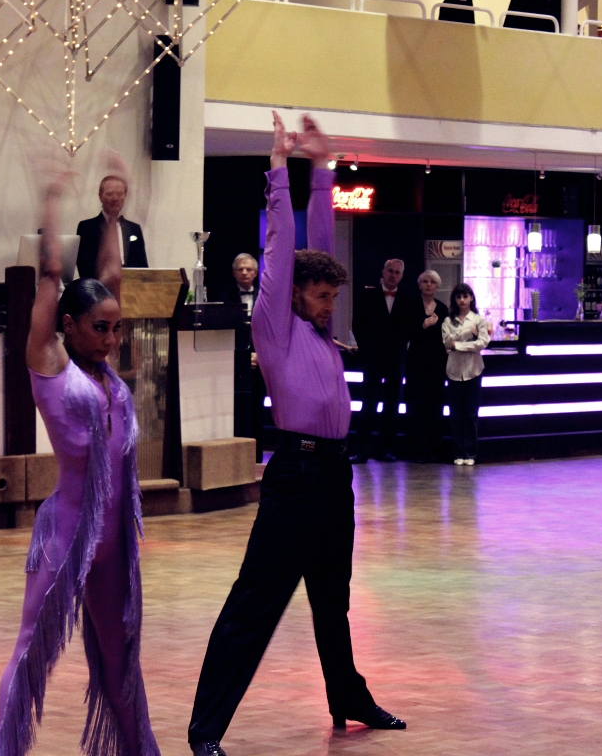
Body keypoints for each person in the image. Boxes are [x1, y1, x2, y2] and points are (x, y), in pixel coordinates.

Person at [188, 113, 405, 756]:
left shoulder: (316, 327)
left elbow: (319, 242)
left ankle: (348, 698)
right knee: (256, 603)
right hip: (297, 475)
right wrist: (279, 168)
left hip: (335, 473)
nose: (330, 305)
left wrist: (322, 168)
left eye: (333, 296)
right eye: (320, 296)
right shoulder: (274, 326)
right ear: (292, 295)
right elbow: (282, 251)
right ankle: (205, 730)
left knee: (332, 599)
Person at [0, 156, 159, 756]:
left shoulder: (106, 374)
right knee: (31, 652)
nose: (111, 340)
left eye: (116, 328)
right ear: (69, 325)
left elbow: (111, 273)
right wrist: (51, 198)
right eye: (99, 328)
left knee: (121, 658)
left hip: (115, 541)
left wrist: (112, 216)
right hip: (67, 534)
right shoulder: (50, 363)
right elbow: (50, 272)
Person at [350, 258, 406, 464]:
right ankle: (361, 450)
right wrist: (367, 351)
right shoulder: (367, 296)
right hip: (372, 359)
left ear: (401, 276)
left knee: (392, 405)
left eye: (397, 272)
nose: (393, 275)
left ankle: (386, 449)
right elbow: (357, 325)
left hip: (396, 360)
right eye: (390, 271)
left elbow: (409, 329)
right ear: (383, 272)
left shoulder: (407, 299)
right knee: (369, 404)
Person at [212, 253, 264, 460]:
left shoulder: (264, 298)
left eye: (248, 269)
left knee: (257, 411)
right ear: (234, 273)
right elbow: (221, 332)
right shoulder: (223, 297)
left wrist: (261, 355)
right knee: (235, 412)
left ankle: (257, 458)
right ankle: (235, 458)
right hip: (232, 365)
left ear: (256, 273)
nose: (244, 272)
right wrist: (242, 357)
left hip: (260, 365)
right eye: (240, 269)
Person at [402, 270, 448, 463]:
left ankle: (434, 448)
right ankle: (417, 449)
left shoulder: (443, 309)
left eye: (432, 282)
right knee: (416, 405)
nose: (429, 285)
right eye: (425, 281)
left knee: (435, 405)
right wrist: (422, 325)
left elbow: (447, 335)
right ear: (419, 285)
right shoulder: (411, 306)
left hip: (437, 363)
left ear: (437, 286)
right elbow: (404, 332)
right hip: (416, 362)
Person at [441, 283, 489, 466]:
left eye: (465, 296)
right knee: (456, 414)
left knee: (470, 414)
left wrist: (458, 344)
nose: (462, 300)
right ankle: (458, 452)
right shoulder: (448, 321)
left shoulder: (478, 320)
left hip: (473, 370)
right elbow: (446, 342)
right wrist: (469, 334)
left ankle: (470, 453)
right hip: (453, 371)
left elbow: (482, 342)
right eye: (458, 297)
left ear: (471, 298)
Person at [76, 174, 148, 279]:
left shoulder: (134, 229)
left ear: (125, 196)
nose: (115, 198)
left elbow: (143, 269)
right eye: (109, 194)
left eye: (119, 194)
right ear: (100, 196)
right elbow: (85, 269)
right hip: (99, 286)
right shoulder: (87, 228)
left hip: (131, 285)